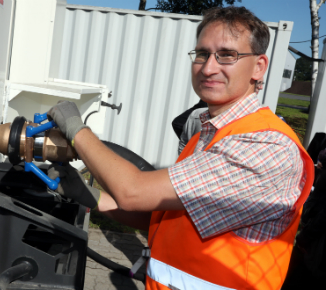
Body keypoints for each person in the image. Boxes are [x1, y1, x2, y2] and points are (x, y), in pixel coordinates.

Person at [47, 6, 314, 290]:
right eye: (202, 54)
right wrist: (89, 195)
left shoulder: (264, 146)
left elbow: (133, 191)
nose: (208, 67)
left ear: (259, 67)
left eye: (227, 55)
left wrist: (76, 129)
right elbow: (161, 217)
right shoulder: (210, 131)